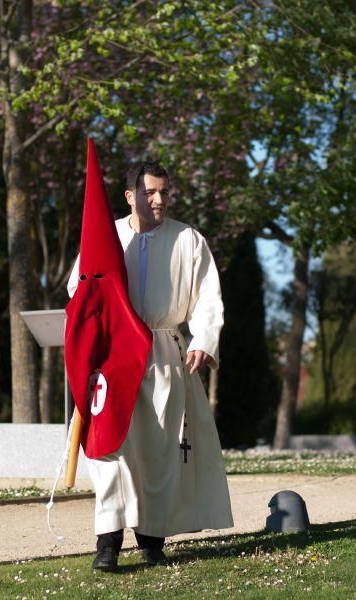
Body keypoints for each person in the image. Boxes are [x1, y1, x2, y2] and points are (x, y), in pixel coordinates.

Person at [67, 160, 233, 571]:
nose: (159, 200)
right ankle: (107, 541)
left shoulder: (189, 239)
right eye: (150, 192)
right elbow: (79, 287)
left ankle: (151, 539)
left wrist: (203, 338)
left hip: (162, 353)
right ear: (130, 196)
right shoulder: (108, 237)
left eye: (164, 192)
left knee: (159, 448)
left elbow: (208, 296)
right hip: (113, 355)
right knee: (109, 447)